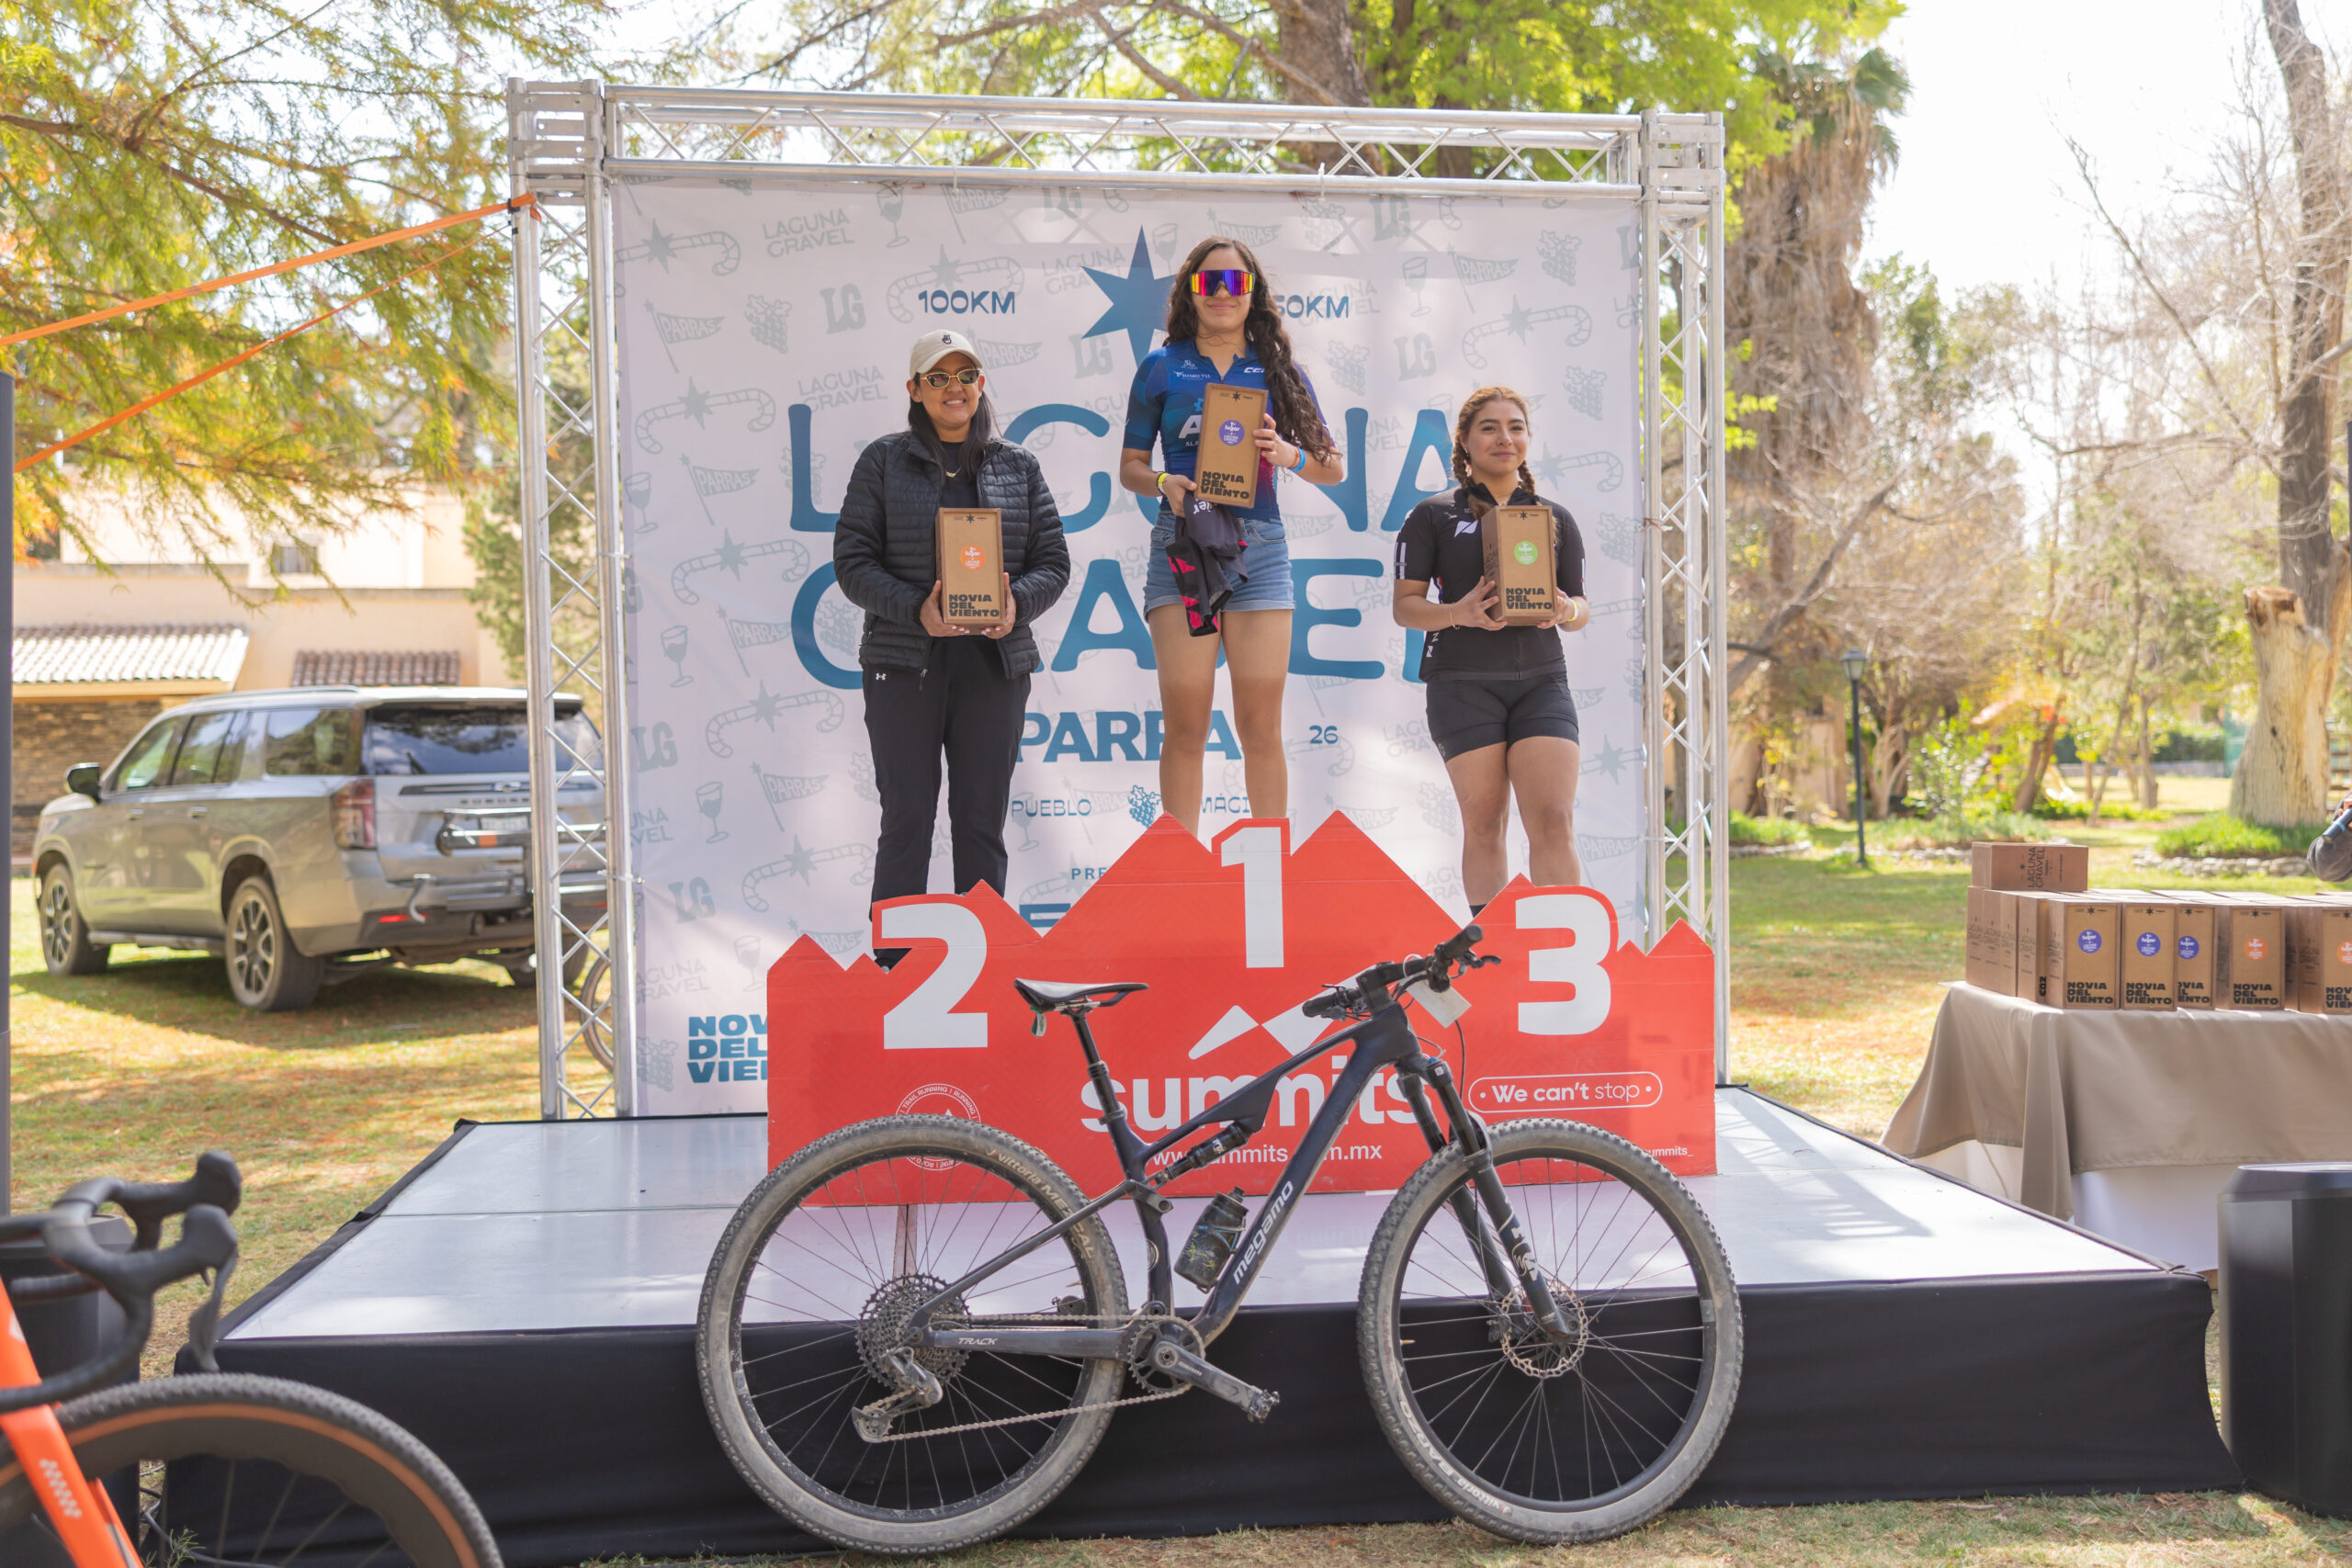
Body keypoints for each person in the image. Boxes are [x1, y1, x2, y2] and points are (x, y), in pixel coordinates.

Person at [834, 330, 1069, 953]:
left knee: (981, 823)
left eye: (965, 375)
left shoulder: (1018, 466)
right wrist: (918, 611)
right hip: (903, 664)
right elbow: (852, 564)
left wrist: (1017, 605)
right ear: (914, 390)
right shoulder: (882, 461)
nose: (953, 388)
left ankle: (984, 968)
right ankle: (894, 971)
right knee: (906, 820)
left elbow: (1053, 563)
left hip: (994, 665)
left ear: (981, 385)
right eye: (936, 377)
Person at [1120, 236, 1344, 833]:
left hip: (1260, 549)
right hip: (1183, 544)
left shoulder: (1279, 371)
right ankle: (1182, 868)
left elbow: (1333, 467)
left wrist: (1289, 455)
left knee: (1260, 727)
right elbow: (1131, 467)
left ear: (1253, 293)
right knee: (1186, 726)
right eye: (1209, 282)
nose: (1222, 293)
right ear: (1190, 292)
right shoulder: (1161, 366)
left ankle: (1269, 867)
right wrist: (1164, 481)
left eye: (1236, 282)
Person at [1392, 387, 1590, 911]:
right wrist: (1459, 613)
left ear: (1528, 438)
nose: (1505, 438)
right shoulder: (1432, 515)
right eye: (1489, 427)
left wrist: (1566, 610)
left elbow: (1581, 607)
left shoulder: (1555, 517)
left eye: (1515, 427)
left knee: (1553, 819)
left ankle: (1560, 945)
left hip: (1542, 685)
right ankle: (1494, 951)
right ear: (1464, 440)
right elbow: (1405, 607)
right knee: (1485, 824)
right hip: (1462, 686)